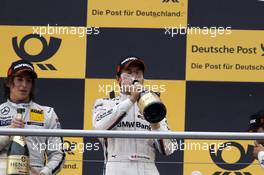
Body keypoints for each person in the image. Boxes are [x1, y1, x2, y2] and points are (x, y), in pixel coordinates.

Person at [92, 57, 175, 175]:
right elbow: (100, 128)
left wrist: (155, 122)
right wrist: (131, 100)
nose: (134, 77)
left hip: (147, 167)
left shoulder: (154, 106)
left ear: (143, 79)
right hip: (117, 166)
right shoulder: (105, 103)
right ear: (118, 79)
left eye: (138, 73)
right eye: (129, 73)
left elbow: (168, 149)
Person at [0, 60, 65, 175]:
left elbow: (57, 153)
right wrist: (8, 132)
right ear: (9, 82)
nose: (24, 85)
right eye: (19, 79)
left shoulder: (47, 113)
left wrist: (44, 173)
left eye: (28, 81)